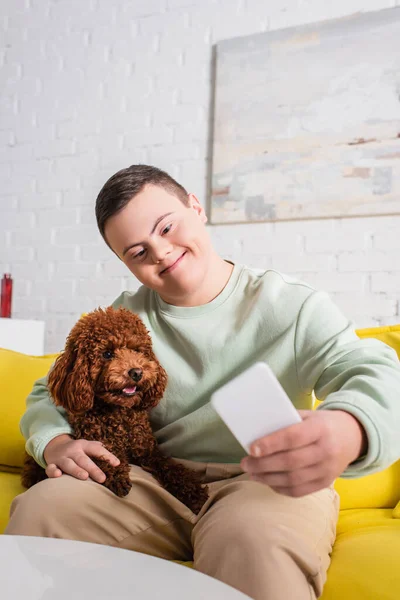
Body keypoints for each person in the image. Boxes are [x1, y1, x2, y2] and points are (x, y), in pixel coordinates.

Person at [6, 164, 400, 600]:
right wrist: (53, 442)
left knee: (253, 543)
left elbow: (371, 368)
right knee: (42, 509)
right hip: (152, 482)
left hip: (265, 484)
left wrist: (351, 427)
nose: (159, 251)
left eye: (167, 227)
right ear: (125, 263)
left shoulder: (291, 305)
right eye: (137, 252)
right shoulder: (124, 315)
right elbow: (50, 391)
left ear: (196, 206)